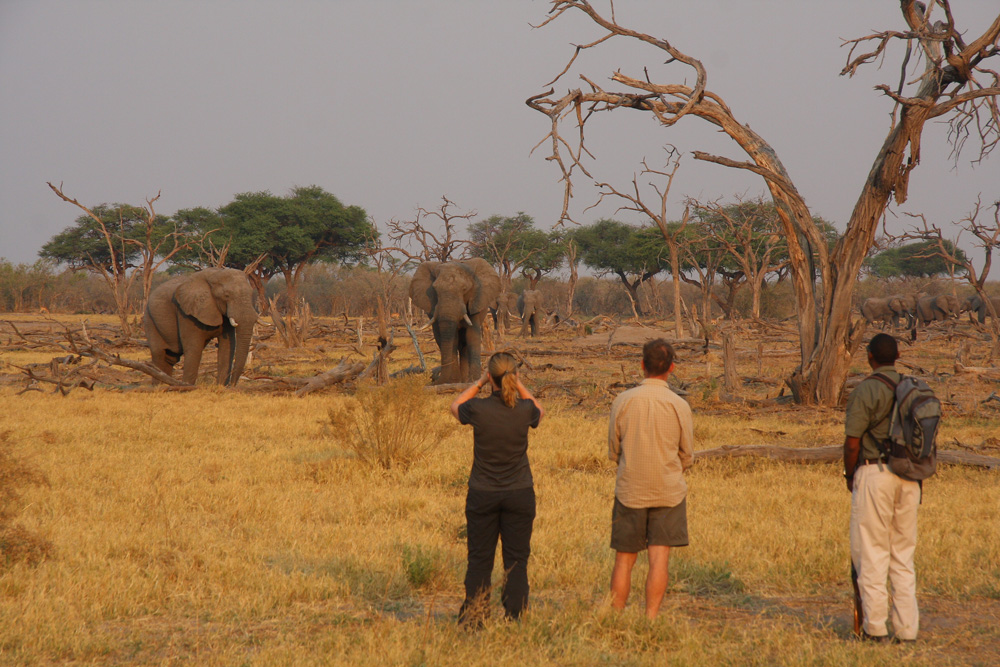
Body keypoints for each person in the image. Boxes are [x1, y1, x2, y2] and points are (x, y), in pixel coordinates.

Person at [450, 352, 544, 626]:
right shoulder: (525, 409)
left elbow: (456, 405)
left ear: (490, 377)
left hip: (482, 493)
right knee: (516, 560)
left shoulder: (478, 409)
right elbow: (540, 409)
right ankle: (516, 616)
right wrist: (518, 382)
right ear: (513, 376)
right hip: (519, 492)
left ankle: (475, 618)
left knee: (479, 559)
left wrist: (479, 383)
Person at [607, 338, 694, 619]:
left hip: (630, 489)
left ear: (642, 365)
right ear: (671, 368)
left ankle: (616, 618)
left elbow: (614, 451)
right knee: (659, 559)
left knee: (624, 560)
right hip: (668, 491)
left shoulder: (623, 401)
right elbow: (687, 455)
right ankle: (651, 619)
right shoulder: (679, 405)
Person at [843, 333, 920, 642]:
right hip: (911, 476)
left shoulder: (866, 390)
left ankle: (874, 629)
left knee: (872, 553)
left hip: (875, 472)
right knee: (903, 556)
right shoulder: (913, 389)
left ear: (869, 357)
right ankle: (907, 630)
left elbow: (852, 442)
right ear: (898, 355)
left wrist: (851, 476)